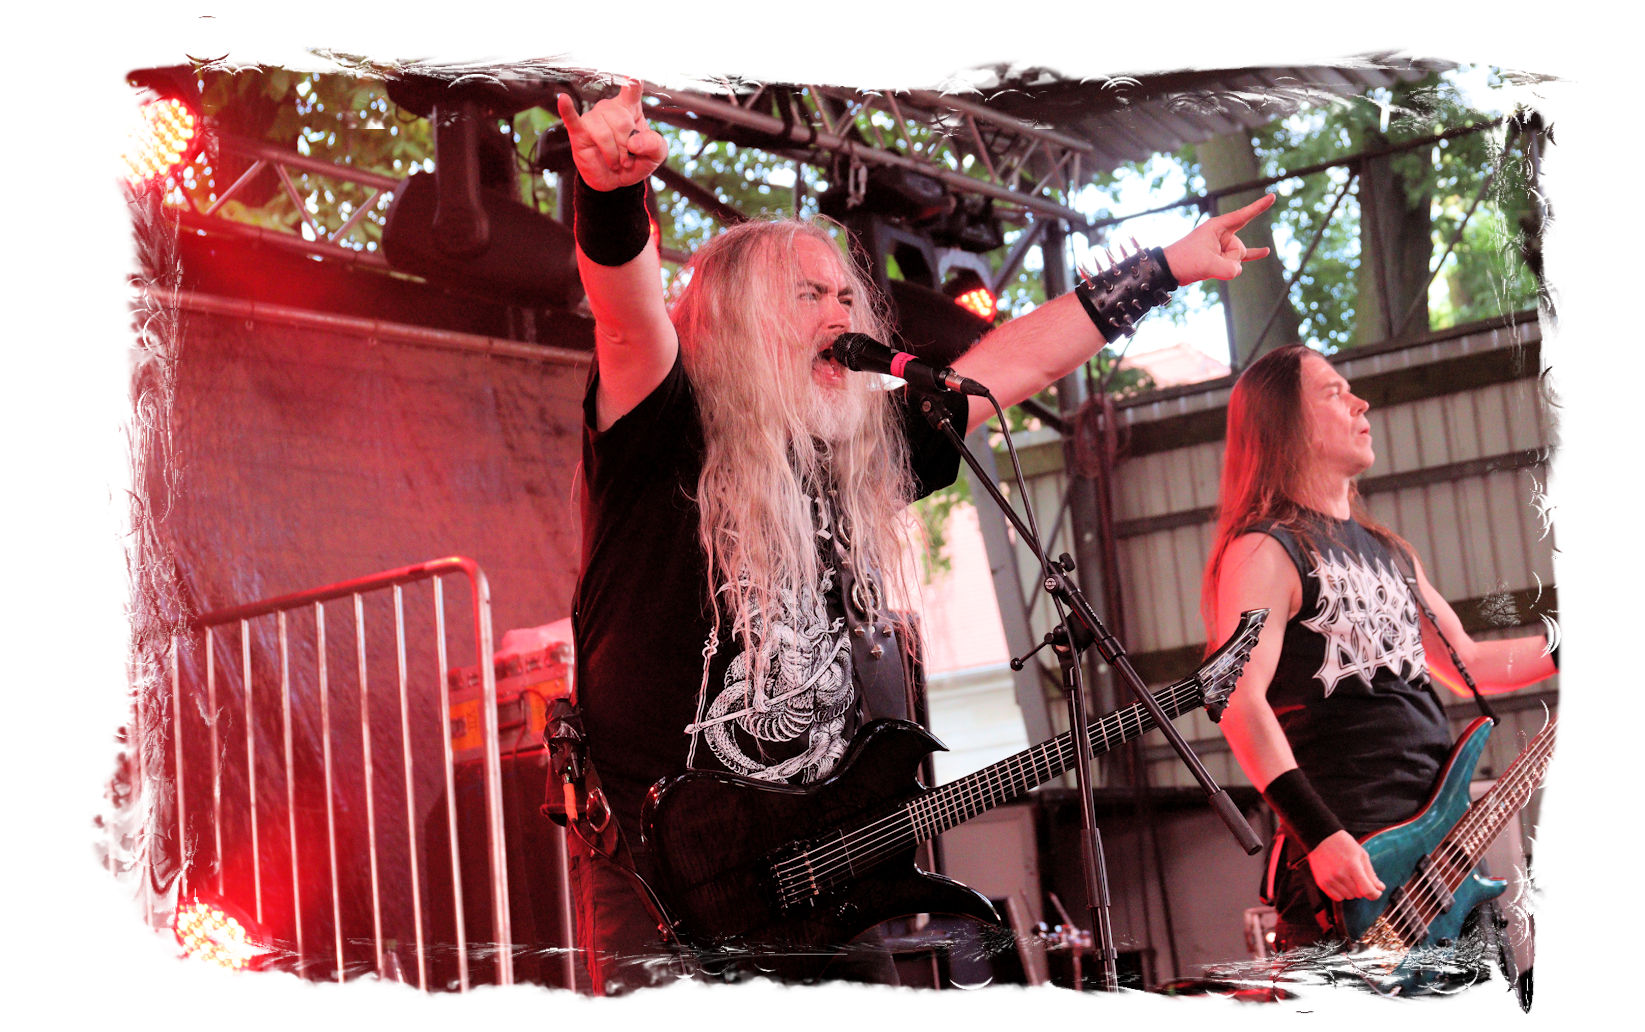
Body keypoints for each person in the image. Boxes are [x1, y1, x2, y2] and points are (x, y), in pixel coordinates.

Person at [555, 79, 1274, 995]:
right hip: (666, 886)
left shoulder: (852, 455)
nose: (841, 315)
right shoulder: (664, 427)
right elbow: (627, 322)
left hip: (812, 879)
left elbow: (1008, 366)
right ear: (733, 318)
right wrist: (611, 193)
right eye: (809, 295)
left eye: (846, 295)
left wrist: (1163, 269)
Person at [1199, 343, 1557, 956]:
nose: (1361, 403)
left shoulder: (1389, 552)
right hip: (1353, 864)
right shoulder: (1264, 550)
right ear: (1287, 423)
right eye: (1334, 393)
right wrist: (1321, 836)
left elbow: (1469, 664)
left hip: (1441, 862)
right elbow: (1235, 696)